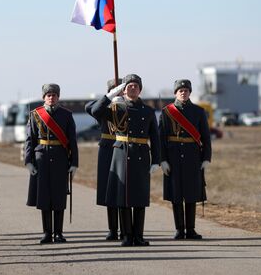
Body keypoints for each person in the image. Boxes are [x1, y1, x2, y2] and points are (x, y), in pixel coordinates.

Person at [91, 74, 160, 246]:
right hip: (121, 154)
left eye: (136, 86)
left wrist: (156, 160)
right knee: (123, 198)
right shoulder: (116, 108)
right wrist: (110, 96)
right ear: (124, 89)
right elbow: (94, 111)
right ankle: (127, 236)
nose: (133, 88)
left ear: (140, 89)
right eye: (129, 86)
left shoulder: (148, 111)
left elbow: (155, 137)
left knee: (140, 198)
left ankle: (139, 236)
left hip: (141, 155)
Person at [25, 84, 79, 244]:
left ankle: (59, 233)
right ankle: (47, 233)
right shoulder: (35, 115)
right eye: (48, 95)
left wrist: (74, 162)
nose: (51, 97)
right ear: (43, 97)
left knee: (59, 196)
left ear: (58, 97)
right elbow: (29, 140)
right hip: (41, 158)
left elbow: (72, 141)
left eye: (54, 95)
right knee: (44, 197)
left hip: (60, 159)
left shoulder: (67, 115)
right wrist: (28, 161)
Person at [159, 79, 211, 239]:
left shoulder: (198, 111)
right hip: (173, 157)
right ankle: (179, 230)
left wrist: (206, 158)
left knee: (191, 194)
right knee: (176, 195)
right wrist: (163, 160)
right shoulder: (166, 112)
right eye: (180, 90)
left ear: (190, 92)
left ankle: (191, 229)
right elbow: (161, 138)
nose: (183, 92)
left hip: (192, 157)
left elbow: (206, 137)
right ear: (175, 93)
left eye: (186, 90)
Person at [85, 78, 123, 240]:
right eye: (115, 89)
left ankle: (126, 229)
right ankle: (113, 229)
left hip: (123, 148)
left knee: (123, 191)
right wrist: (109, 98)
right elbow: (90, 107)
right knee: (110, 191)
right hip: (107, 149)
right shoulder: (102, 108)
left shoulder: (127, 104)